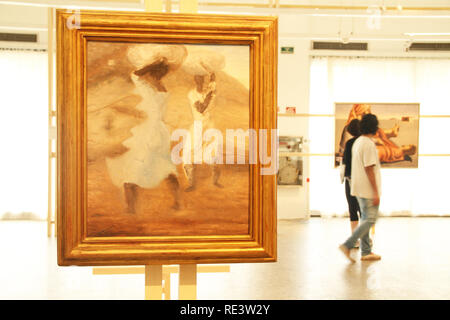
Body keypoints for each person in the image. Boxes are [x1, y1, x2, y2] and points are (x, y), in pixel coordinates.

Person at [105, 44, 187, 213]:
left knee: (132, 169)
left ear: (152, 70)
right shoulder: (163, 89)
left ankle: (130, 209)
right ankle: (177, 202)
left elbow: (136, 74)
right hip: (160, 132)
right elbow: (147, 110)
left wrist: (155, 61)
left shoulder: (146, 87)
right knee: (165, 166)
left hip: (146, 132)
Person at [339, 114, 382, 262]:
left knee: (365, 219)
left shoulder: (358, 142)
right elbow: (369, 168)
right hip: (367, 189)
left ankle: (366, 252)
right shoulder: (367, 144)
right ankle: (348, 245)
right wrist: (375, 192)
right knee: (369, 219)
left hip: (358, 187)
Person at [342, 119, 362, 247]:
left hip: (350, 180)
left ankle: (354, 239)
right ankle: (366, 239)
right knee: (363, 210)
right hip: (362, 181)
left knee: (353, 209)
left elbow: (345, 163)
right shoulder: (364, 143)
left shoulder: (349, 143)